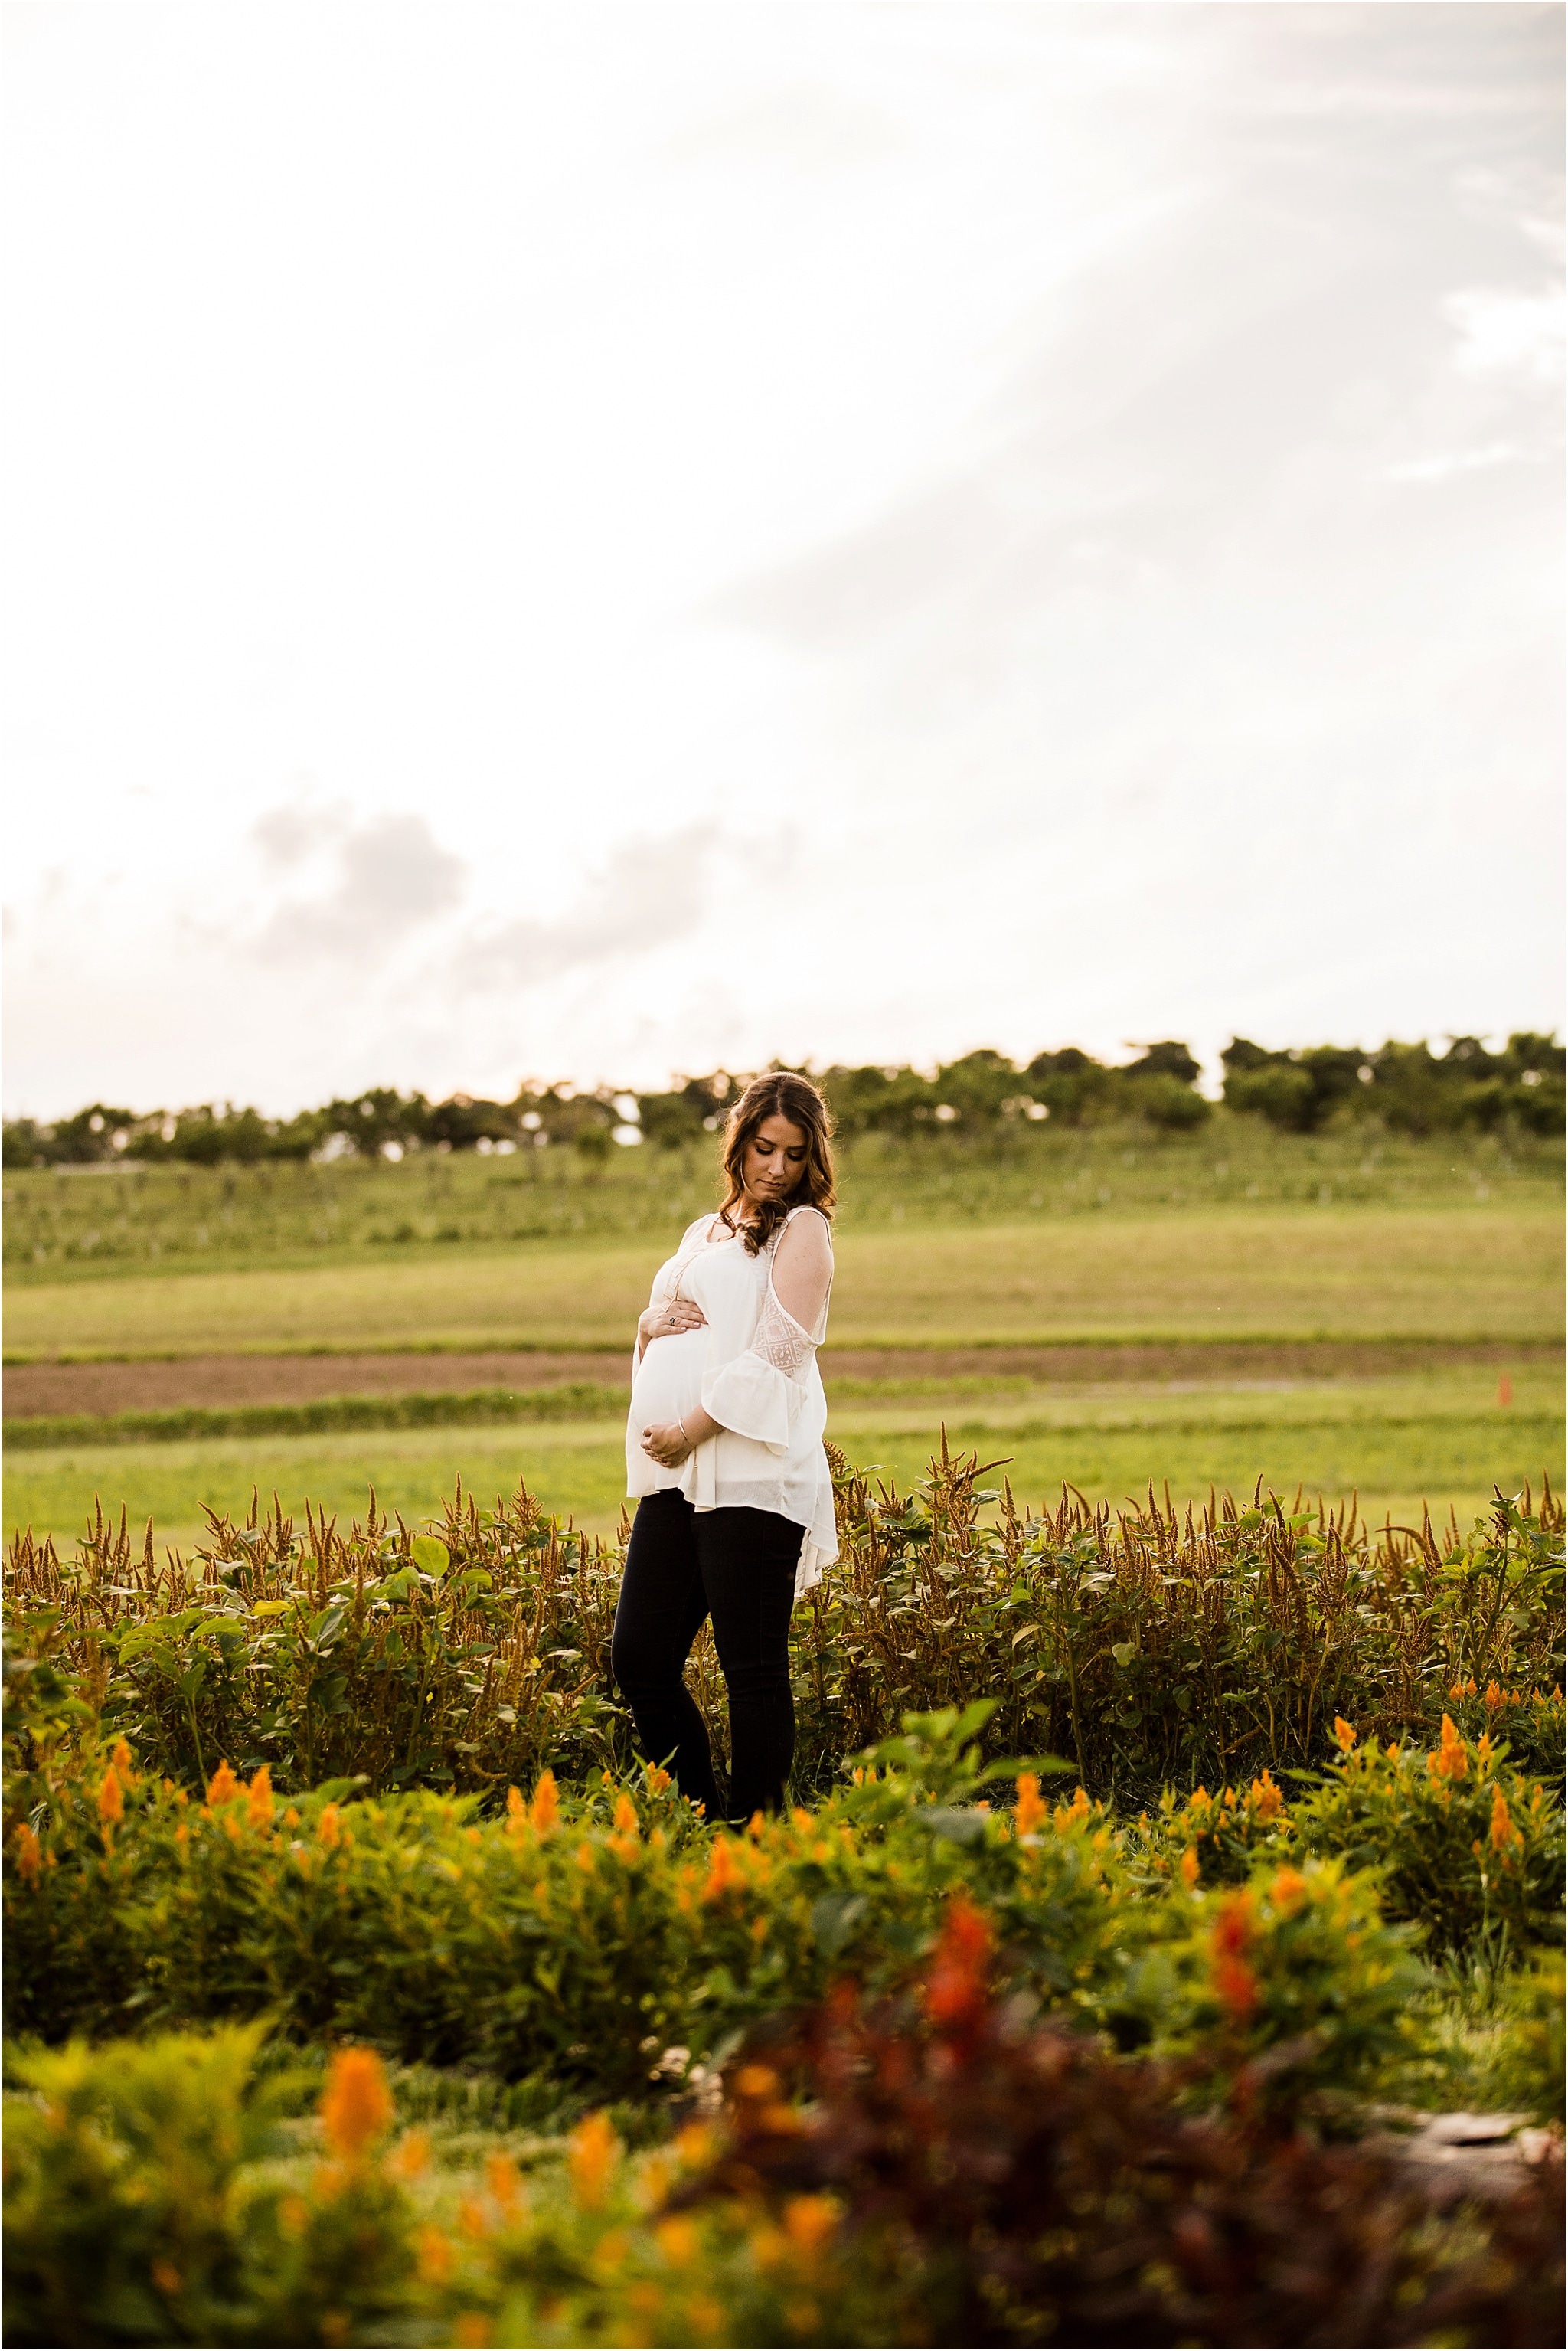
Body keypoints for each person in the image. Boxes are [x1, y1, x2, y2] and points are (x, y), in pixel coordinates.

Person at [612, 1071, 837, 1823]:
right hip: (678, 1479)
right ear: (738, 1140)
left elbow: (778, 1350)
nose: (776, 1167)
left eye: (794, 1154)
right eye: (764, 1148)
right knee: (639, 1659)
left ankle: (758, 1833)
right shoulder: (702, 1230)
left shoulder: (801, 1229)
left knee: (752, 1671)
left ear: (812, 1161)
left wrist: (688, 1428)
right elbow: (671, 1326)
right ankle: (702, 1818)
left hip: (749, 1471)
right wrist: (645, 1328)